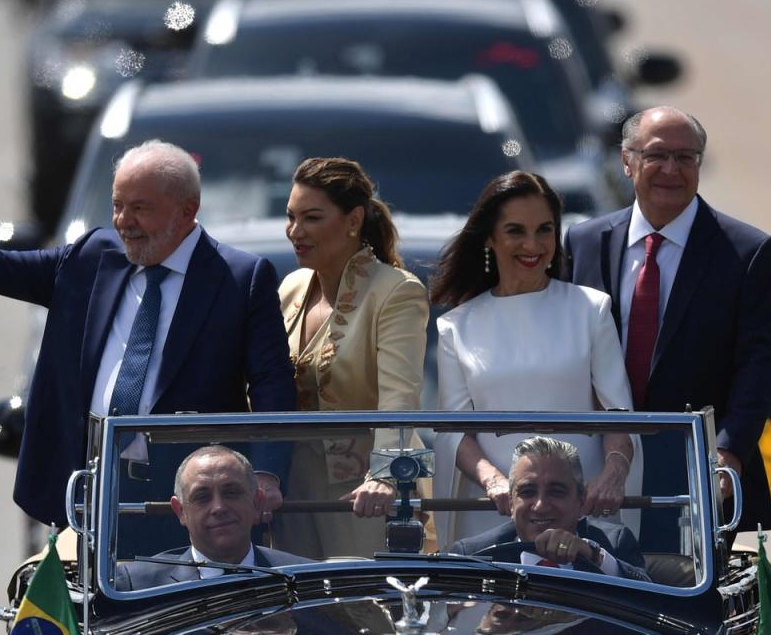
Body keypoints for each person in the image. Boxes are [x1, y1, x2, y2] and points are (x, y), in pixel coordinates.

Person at [0, 140, 296, 529]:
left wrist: (266, 474)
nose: (124, 221)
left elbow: (271, 384)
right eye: (118, 205)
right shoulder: (93, 255)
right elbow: (4, 268)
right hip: (87, 494)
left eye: (140, 208)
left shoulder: (239, 278)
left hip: (191, 504)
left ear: (187, 210)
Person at [562, 107, 771, 551]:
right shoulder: (584, 242)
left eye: (686, 158)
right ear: (627, 162)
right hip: (595, 473)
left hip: (692, 475)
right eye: (657, 155)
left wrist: (728, 455)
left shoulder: (747, 252)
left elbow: (758, 366)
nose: (671, 170)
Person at [430, 171, 639, 547]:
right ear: (490, 238)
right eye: (515, 231)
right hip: (494, 515)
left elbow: (617, 415)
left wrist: (613, 473)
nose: (533, 244)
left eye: (544, 230)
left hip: (579, 511)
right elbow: (455, 434)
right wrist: (496, 482)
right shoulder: (455, 327)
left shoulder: (590, 308)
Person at [273, 157, 429, 558]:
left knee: (363, 614)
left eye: (311, 217)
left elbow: (401, 396)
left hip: (363, 497)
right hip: (290, 494)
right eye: (290, 217)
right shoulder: (291, 286)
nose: (295, 231)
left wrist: (386, 478)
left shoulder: (395, 291)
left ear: (353, 219)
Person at [450, 437, 650, 582]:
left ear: (581, 500)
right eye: (528, 492)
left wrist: (594, 557)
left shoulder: (612, 543)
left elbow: (651, 603)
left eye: (556, 492)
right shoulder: (473, 555)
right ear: (511, 502)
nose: (540, 506)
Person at [116, 446, 311, 590]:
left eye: (231, 493)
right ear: (180, 511)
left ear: (257, 501)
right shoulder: (137, 585)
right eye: (202, 497)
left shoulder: (306, 577)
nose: (218, 507)